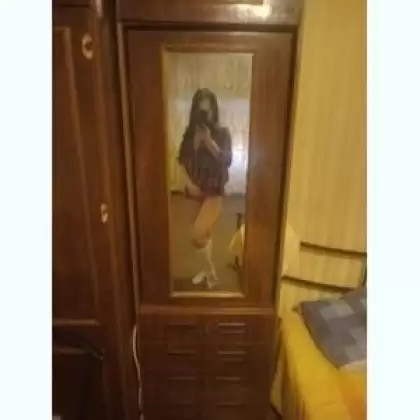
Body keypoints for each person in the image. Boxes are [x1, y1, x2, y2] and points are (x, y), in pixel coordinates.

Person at [178, 88, 232, 288]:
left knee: (197, 233)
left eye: (207, 111)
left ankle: (209, 271)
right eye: (200, 111)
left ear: (214, 110)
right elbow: (182, 160)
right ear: (195, 111)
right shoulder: (189, 133)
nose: (204, 116)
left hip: (214, 191)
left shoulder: (223, 133)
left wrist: (209, 142)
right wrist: (188, 183)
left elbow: (227, 161)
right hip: (195, 189)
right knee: (204, 234)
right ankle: (207, 270)